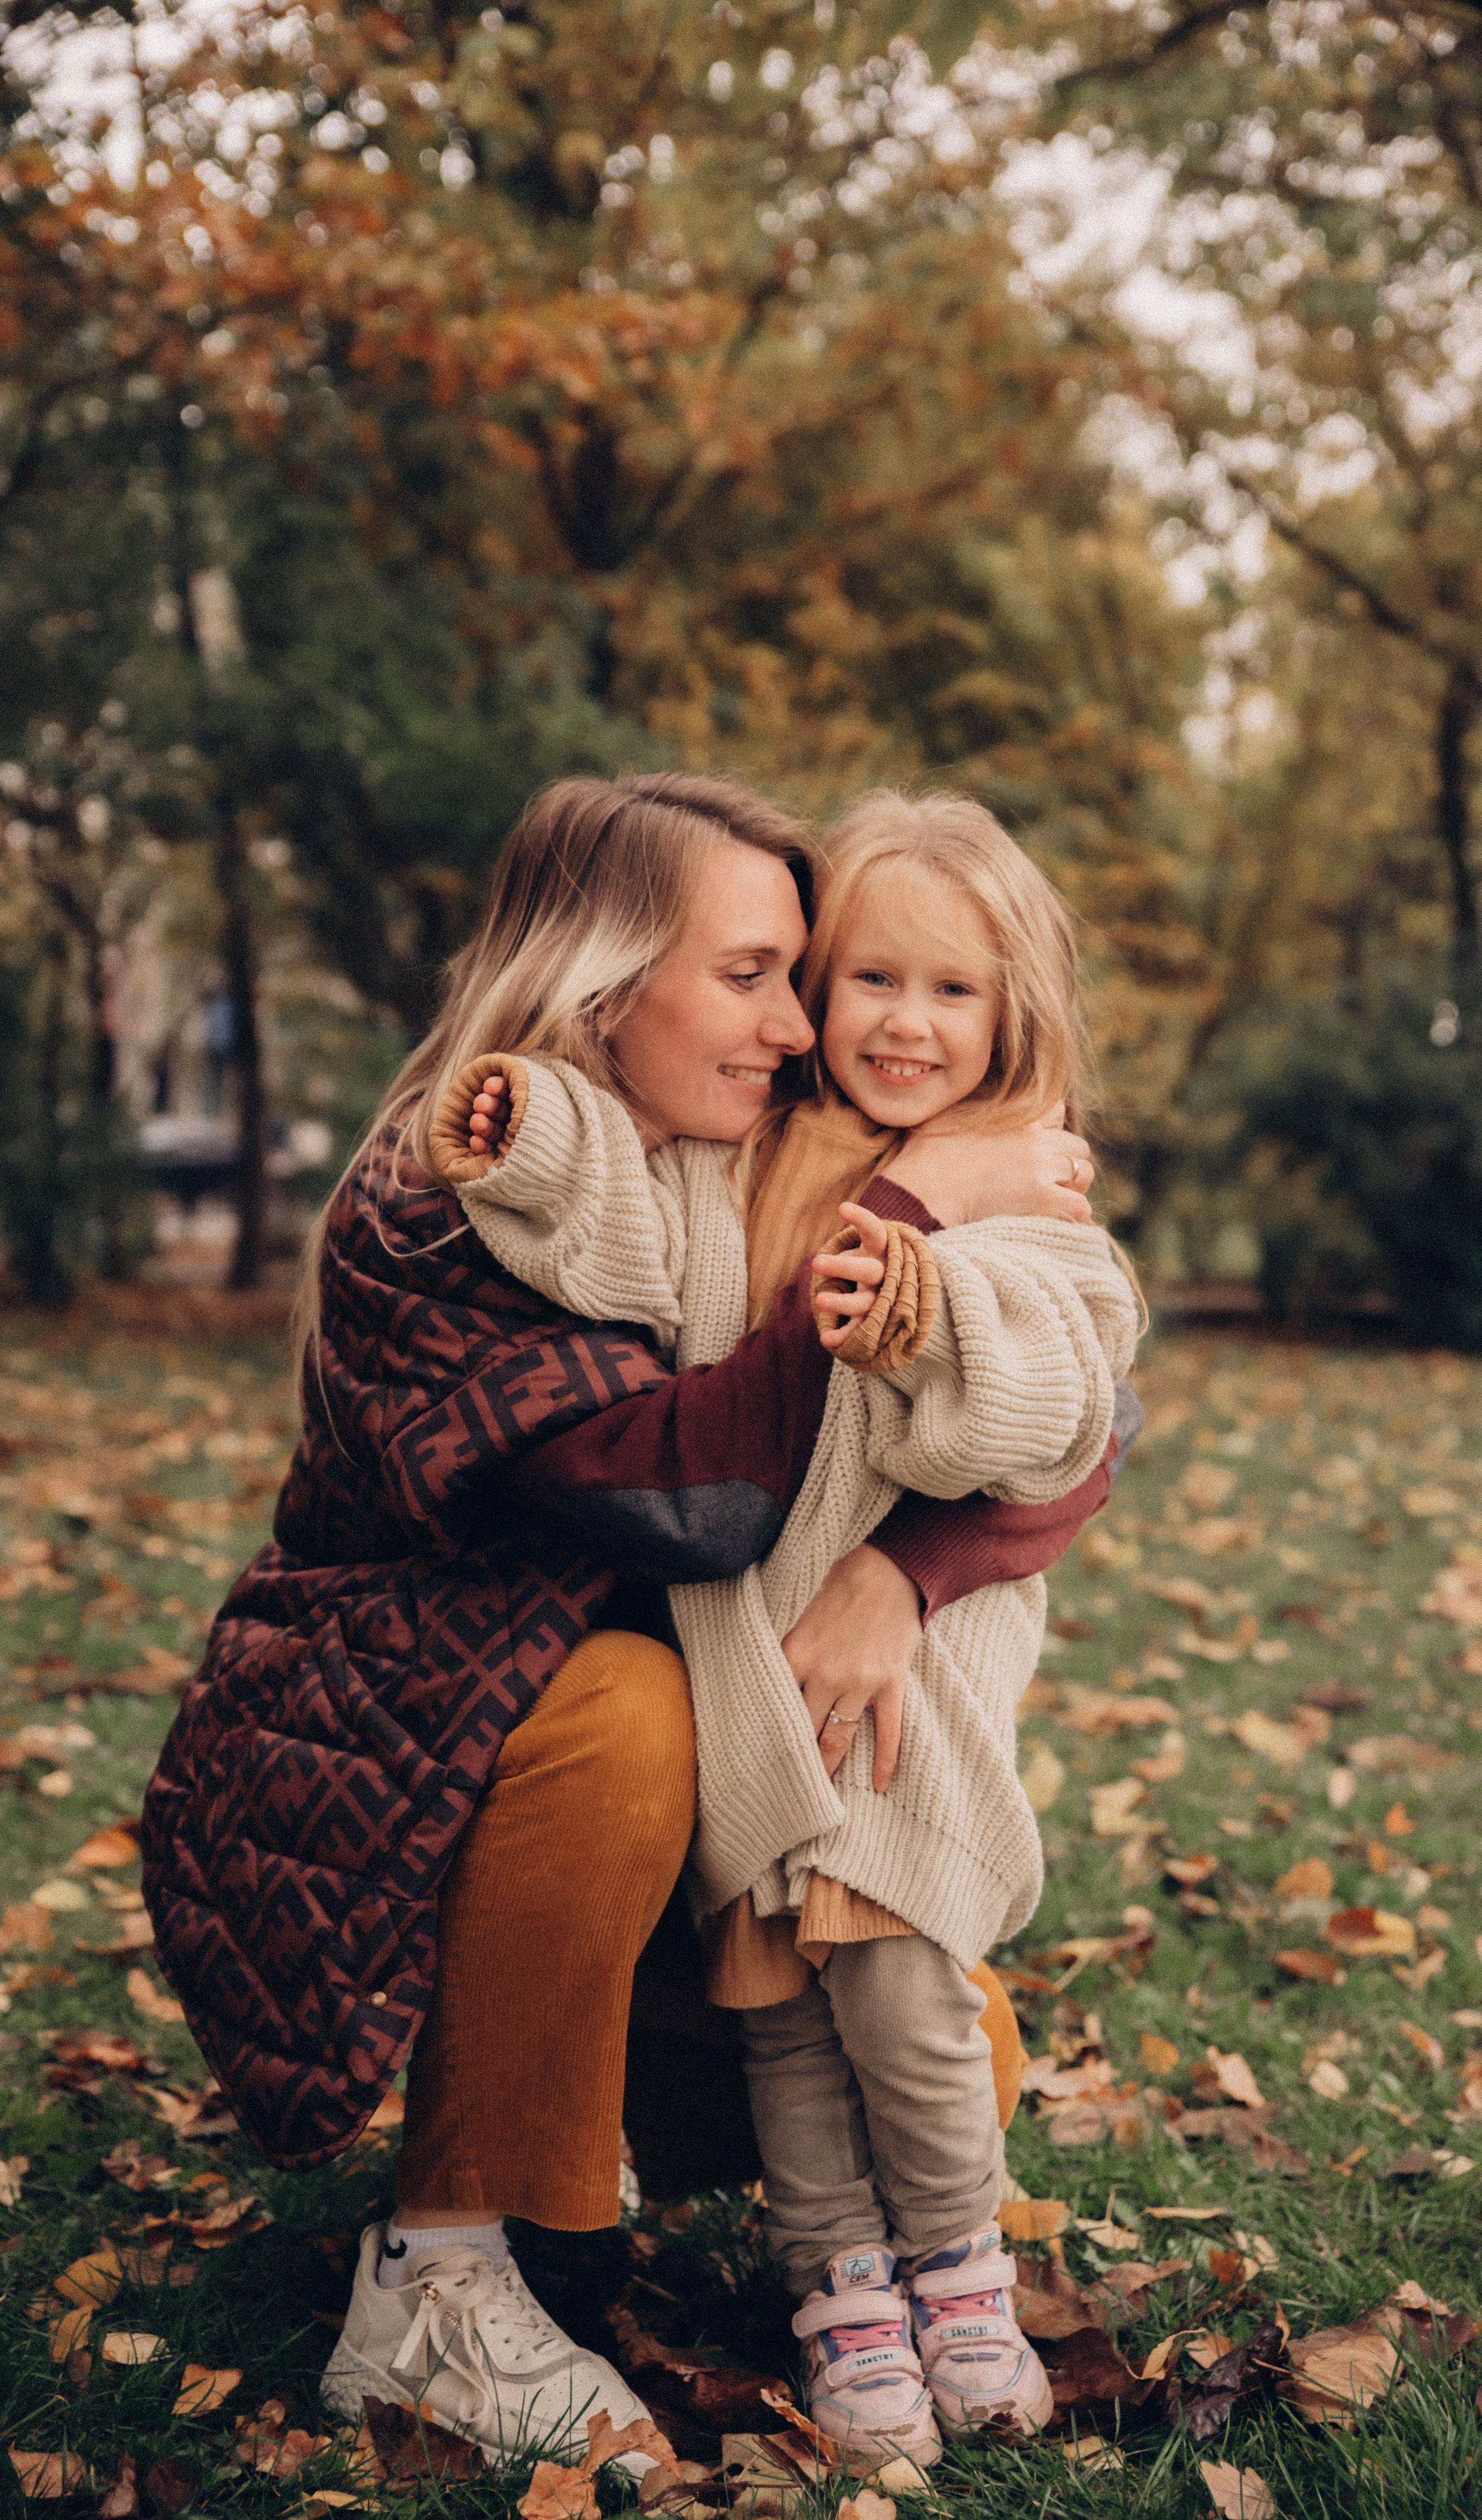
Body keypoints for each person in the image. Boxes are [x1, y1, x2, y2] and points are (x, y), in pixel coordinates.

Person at [140, 773, 1115, 2480]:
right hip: (399, 1765)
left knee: (920, 2010)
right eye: (759, 974)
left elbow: (1082, 1423)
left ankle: (766, 2215)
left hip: (699, 1776)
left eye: (803, 974)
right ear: (606, 985)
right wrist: (915, 1196)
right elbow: (707, 1488)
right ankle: (440, 2270)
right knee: (637, 1731)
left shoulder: (739, 1155)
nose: (806, 1021)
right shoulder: (471, 1193)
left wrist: (909, 1572)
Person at [429, 790, 1142, 2469]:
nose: (900, 1022)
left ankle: (959, 2270)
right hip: (744, 1659)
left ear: (1011, 1010)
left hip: (916, 1674)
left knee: (899, 1994)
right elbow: (614, 1204)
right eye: (864, 978)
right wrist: (525, 1125)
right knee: (778, 2013)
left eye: (949, 991)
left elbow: (1053, 1393)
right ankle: (836, 2292)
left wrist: (919, 1301)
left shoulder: (1025, 1184)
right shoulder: (745, 1149)